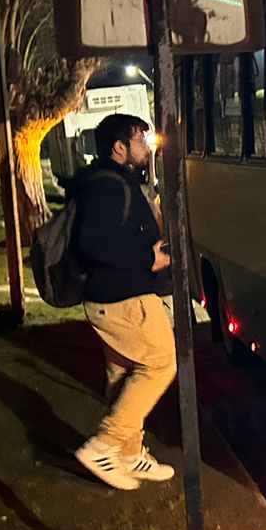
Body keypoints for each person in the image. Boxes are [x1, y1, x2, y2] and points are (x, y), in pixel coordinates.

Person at [70, 112, 178, 490]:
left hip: (111, 297)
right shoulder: (108, 186)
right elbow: (94, 243)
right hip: (123, 298)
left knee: (123, 374)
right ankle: (103, 445)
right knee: (162, 363)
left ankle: (129, 454)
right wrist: (148, 259)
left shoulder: (113, 181)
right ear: (119, 147)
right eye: (138, 140)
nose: (145, 147)